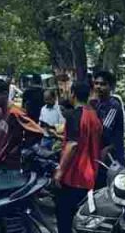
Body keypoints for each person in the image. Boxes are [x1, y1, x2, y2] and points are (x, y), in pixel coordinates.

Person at [53, 82, 103, 233]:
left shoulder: (75, 115)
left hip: (74, 176)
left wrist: (59, 172)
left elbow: (73, 144)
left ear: (73, 94)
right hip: (90, 176)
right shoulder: (95, 116)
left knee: (65, 220)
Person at [0, 79, 43, 178]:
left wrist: (19, 147)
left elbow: (37, 131)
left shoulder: (15, 113)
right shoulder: (0, 112)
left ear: (5, 94)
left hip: (10, 166)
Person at [92, 70, 125, 170]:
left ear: (111, 87)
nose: (98, 87)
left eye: (103, 84)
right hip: (99, 153)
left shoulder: (113, 105)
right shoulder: (97, 104)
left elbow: (103, 130)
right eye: (96, 83)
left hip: (112, 156)